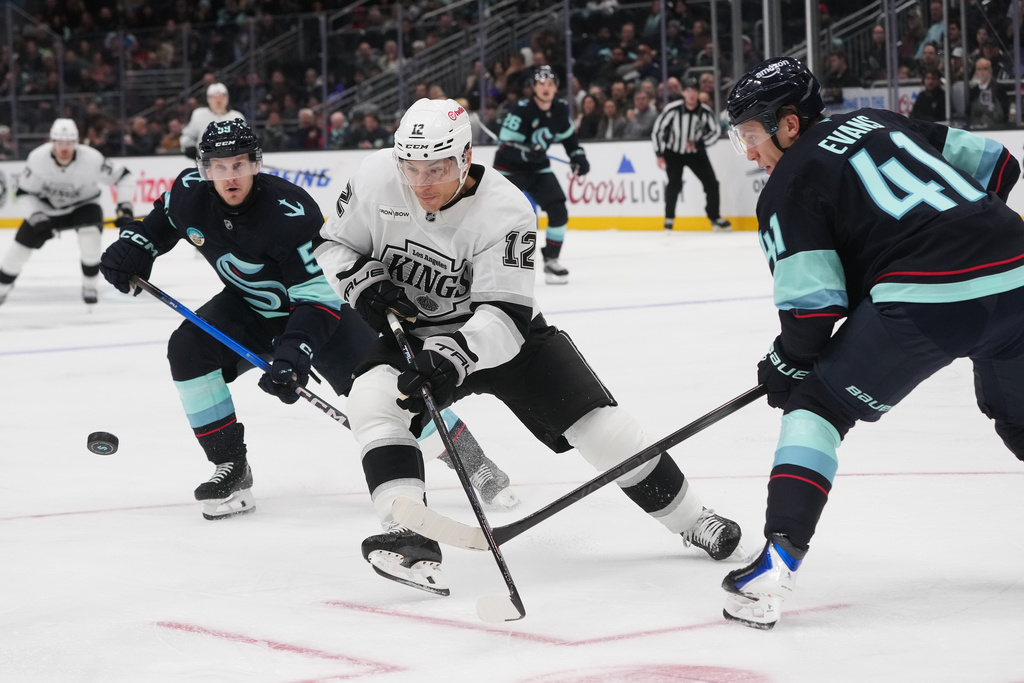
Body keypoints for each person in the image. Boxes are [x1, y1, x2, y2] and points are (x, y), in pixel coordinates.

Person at [313, 97, 742, 596]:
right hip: (413, 329)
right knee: (371, 400)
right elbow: (334, 244)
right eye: (412, 167)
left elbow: (504, 316)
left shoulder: (505, 208)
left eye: (437, 168)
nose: (422, 182)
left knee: (600, 427)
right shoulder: (374, 178)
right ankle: (406, 531)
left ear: (465, 157)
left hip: (500, 335)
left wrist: (452, 357)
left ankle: (692, 518)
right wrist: (361, 286)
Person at [723, 56, 1023, 630]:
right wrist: (971, 242)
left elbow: (813, 312)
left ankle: (774, 566)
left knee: (816, 406)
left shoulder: (788, 184)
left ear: (789, 124)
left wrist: (784, 366)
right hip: (1019, 272)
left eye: (753, 135)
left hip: (927, 299)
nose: (753, 153)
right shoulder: (887, 120)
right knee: (1021, 417)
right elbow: (1000, 165)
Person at [98, 119, 520, 521]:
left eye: (240, 165)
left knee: (393, 395)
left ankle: (475, 464)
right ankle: (231, 468)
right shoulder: (188, 192)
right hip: (250, 306)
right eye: (220, 167)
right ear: (203, 169)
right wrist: (135, 248)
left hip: (325, 316)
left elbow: (316, 299)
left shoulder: (290, 212)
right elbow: (160, 224)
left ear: (256, 163)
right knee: (188, 351)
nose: (230, 177)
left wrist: (294, 354)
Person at [0, 118, 136, 306]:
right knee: (17, 253)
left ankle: (90, 286)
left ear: (76, 142)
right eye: (60, 143)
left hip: (83, 206)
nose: (64, 148)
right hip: (45, 209)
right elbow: (24, 193)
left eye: (69, 143)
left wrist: (125, 206)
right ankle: (2, 289)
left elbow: (124, 176)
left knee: (91, 241)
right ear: (52, 141)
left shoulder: (92, 159)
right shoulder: (37, 159)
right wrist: (36, 217)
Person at [493, 65, 591, 285]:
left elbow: (570, 141)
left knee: (559, 211)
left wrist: (578, 157)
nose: (546, 88)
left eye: (550, 84)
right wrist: (526, 154)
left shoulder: (560, 110)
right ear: (533, 87)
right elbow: (505, 147)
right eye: (541, 84)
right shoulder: (521, 108)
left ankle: (551, 260)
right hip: (509, 170)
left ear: (556, 87)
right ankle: (496, 264)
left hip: (538, 168)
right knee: (502, 220)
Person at [652, 77, 731, 232]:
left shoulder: (705, 112)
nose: (691, 95)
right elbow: (658, 130)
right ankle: (669, 219)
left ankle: (714, 217)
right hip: (673, 153)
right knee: (674, 184)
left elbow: (715, 132)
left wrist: (700, 143)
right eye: (688, 91)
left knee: (712, 183)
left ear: (698, 93)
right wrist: (659, 154)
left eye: (694, 91)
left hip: (696, 153)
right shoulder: (672, 109)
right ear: (683, 93)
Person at [179, 83, 245, 159]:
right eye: (214, 97)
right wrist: (189, 146)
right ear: (208, 99)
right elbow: (187, 135)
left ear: (227, 98)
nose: (218, 100)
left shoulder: (236, 116)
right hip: (206, 160)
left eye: (221, 96)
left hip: (232, 160)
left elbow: (245, 138)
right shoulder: (199, 114)